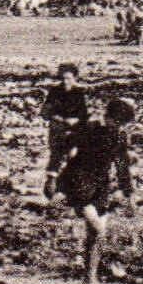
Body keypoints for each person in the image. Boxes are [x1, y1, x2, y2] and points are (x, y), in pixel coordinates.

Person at [50, 97, 136, 284]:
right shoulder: (89, 129)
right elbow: (62, 146)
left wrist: (128, 192)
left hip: (99, 186)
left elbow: (122, 167)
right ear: (108, 117)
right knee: (98, 228)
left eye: (122, 124)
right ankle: (92, 275)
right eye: (117, 122)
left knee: (96, 233)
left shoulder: (115, 136)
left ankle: (90, 278)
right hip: (78, 181)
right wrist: (53, 174)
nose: (119, 126)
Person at [41, 63, 91, 198]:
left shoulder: (78, 93)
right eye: (63, 78)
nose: (65, 81)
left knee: (73, 156)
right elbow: (45, 112)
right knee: (56, 155)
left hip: (73, 130)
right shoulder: (54, 92)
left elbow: (84, 115)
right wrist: (58, 118)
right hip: (58, 129)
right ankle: (51, 186)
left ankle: (71, 188)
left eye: (69, 78)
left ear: (74, 78)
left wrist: (76, 120)